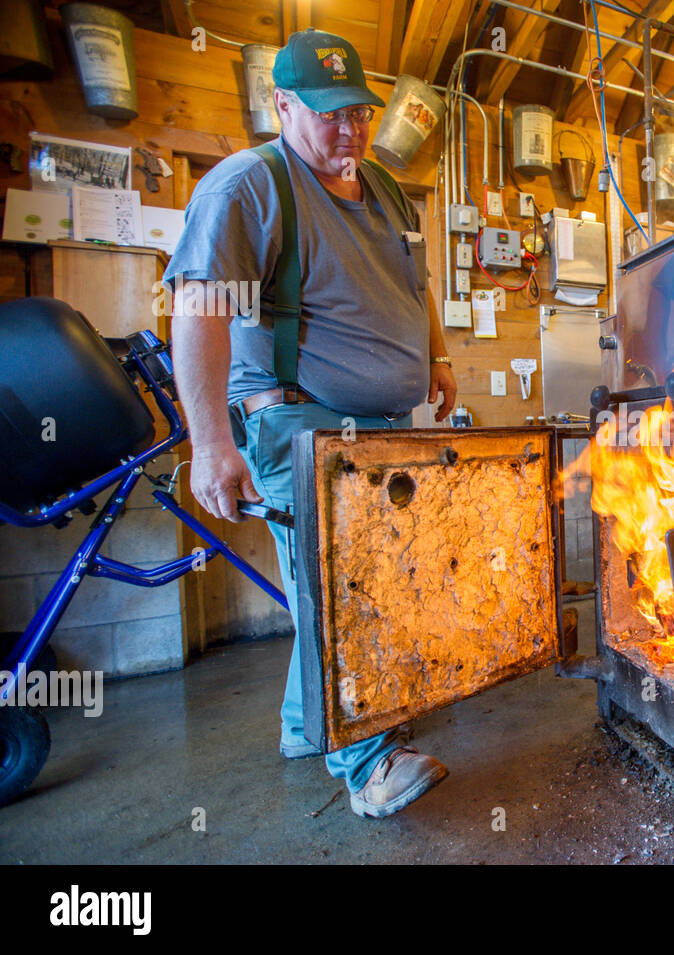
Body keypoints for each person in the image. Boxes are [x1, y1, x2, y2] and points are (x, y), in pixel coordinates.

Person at [165, 29, 457, 818]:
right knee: (345, 579)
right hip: (298, 423)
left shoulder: (388, 190)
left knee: (350, 576)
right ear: (281, 104)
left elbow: (415, 279)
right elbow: (198, 312)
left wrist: (435, 355)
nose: (349, 130)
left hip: (384, 422)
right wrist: (211, 445)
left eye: (359, 112)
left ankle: (306, 722)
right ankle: (366, 759)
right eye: (328, 115)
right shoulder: (247, 189)